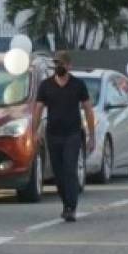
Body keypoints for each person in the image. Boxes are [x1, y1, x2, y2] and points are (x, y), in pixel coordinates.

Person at [33, 51, 97, 223]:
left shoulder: (78, 85)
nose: (58, 67)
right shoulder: (46, 85)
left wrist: (92, 136)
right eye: (56, 63)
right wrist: (35, 131)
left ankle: (71, 207)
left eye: (61, 64)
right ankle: (65, 204)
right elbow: (38, 109)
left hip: (73, 134)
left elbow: (88, 110)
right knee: (59, 173)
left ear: (69, 66)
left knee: (70, 169)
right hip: (53, 135)